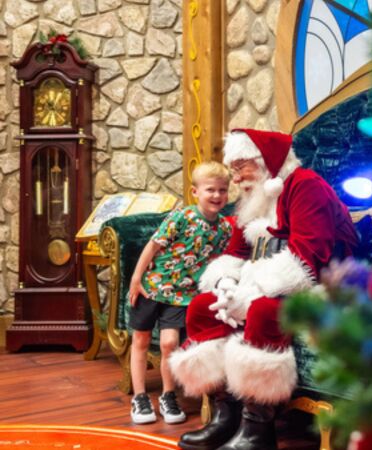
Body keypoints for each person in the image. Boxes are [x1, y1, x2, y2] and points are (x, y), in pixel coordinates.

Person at [168, 129, 358, 450]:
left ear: (266, 161)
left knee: (263, 310)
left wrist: (249, 295)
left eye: (243, 165)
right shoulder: (253, 198)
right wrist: (227, 287)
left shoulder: (305, 186)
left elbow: (306, 259)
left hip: (323, 285)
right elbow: (234, 254)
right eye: (235, 167)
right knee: (203, 305)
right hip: (271, 282)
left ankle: (258, 428)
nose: (237, 175)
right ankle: (224, 415)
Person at [127, 161, 233, 425]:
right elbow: (152, 246)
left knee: (169, 345)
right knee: (140, 340)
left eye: (223, 190)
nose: (217, 196)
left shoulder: (224, 229)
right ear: (195, 192)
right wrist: (136, 278)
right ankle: (139, 396)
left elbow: (219, 261)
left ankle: (168, 394)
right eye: (211, 190)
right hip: (152, 288)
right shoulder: (181, 217)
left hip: (182, 296)